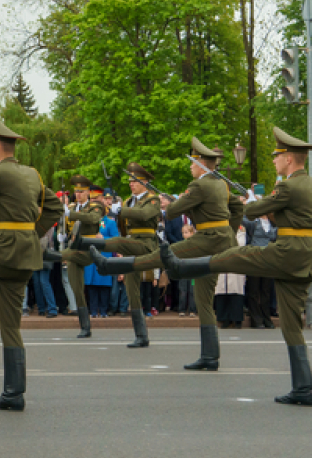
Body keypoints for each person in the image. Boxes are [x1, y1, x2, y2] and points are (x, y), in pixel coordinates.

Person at [151, 128, 312, 406]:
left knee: (237, 255)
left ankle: (180, 266)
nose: (273, 160)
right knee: (292, 324)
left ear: (289, 160)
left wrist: (256, 202)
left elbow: (253, 212)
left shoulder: (287, 186)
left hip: (286, 252)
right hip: (306, 257)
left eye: (276, 155)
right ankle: (303, 389)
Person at [92, 138, 243, 372]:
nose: (190, 166)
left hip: (207, 239)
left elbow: (171, 211)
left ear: (201, 164)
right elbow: (238, 208)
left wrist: (179, 200)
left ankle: (110, 265)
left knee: (162, 255)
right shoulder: (220, 185)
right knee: (203, 299)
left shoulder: (199, 186)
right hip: (220, 239)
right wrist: (229, 232)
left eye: (193, 162)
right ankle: (210, 356)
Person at [0, 114, 62, 411]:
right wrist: (30, 233)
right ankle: (14, 393)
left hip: (3, 251)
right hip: (24, 252)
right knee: (11, 325)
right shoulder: (32, 174)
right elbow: (55, 206)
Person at [81, 162, 161, 348]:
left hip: (145, 243)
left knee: (119, 245)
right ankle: (141, 335)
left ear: (145, 182)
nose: (131, 184)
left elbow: (144, 215)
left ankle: (99, 250)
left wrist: (120, 210)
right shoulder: (127, 201)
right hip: (130, 243)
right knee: (132, 291)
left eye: (135, 181)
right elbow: (124, 228)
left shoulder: (152, 199)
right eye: (130, 181)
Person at [60, 176, 102, 338]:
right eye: (76, 191)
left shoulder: (95, 206)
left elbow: (92, 219)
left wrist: (70, 214)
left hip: (89, 247)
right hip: (73, 249)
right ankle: (85, 326)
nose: (78, 194)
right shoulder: (70, 207)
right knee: (76, 288)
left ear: (88, 193)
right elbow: (66, 226)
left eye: (81, 191)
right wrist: (62, 236)